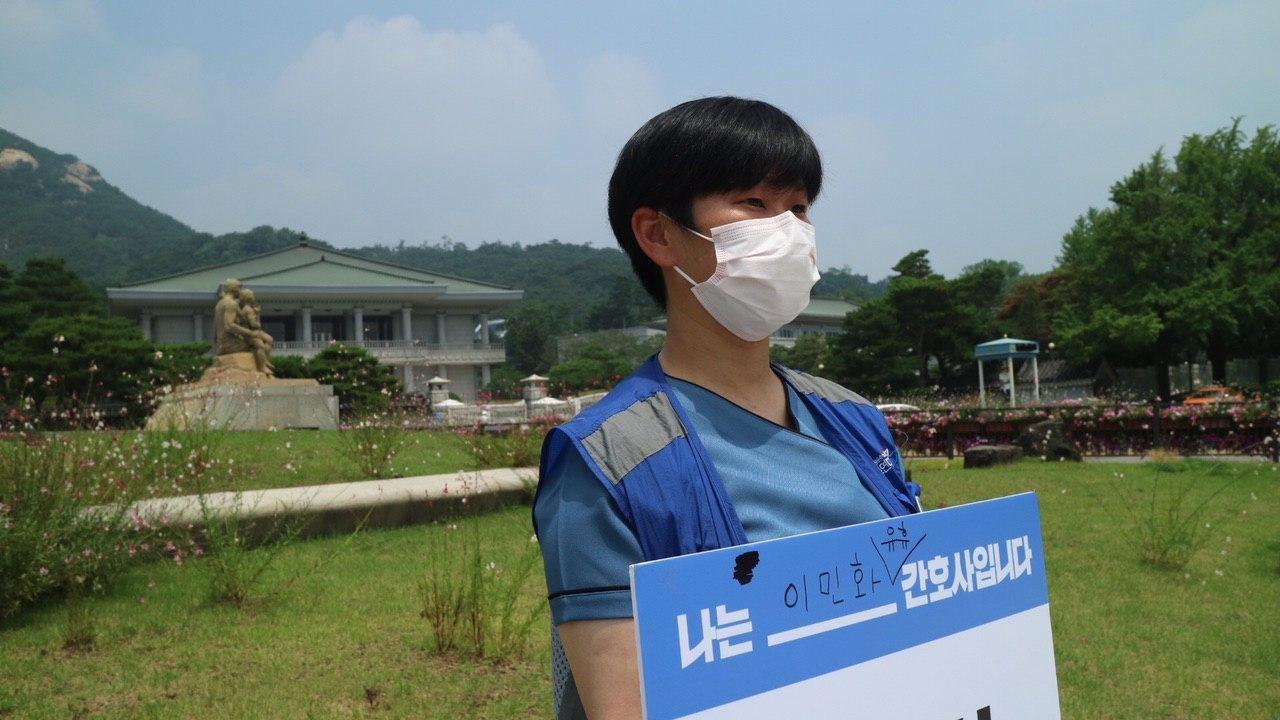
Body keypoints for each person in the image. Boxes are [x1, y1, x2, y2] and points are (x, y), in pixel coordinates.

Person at [531, 96, 923, 720]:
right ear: (658, 233)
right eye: (755, 204)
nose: (789, 232)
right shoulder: (607, 464)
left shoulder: (855, 420)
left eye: (799, 209)